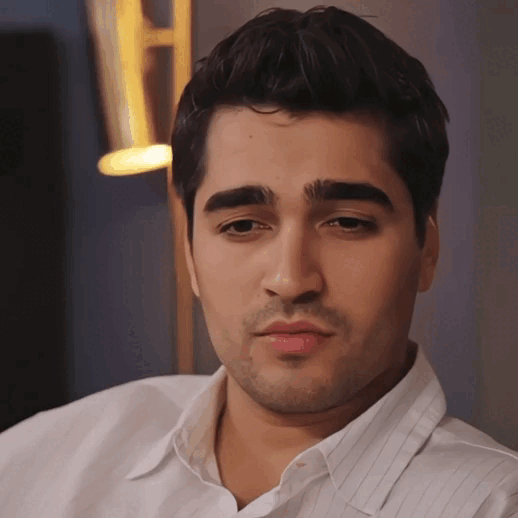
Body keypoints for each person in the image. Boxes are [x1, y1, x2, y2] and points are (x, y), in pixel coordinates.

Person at [1, 5, 517, 517]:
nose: (291, 280)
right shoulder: (45, 463)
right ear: (190, 253)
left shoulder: (491, 505)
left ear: (427, 246)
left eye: (346, 222)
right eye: (243, 226)